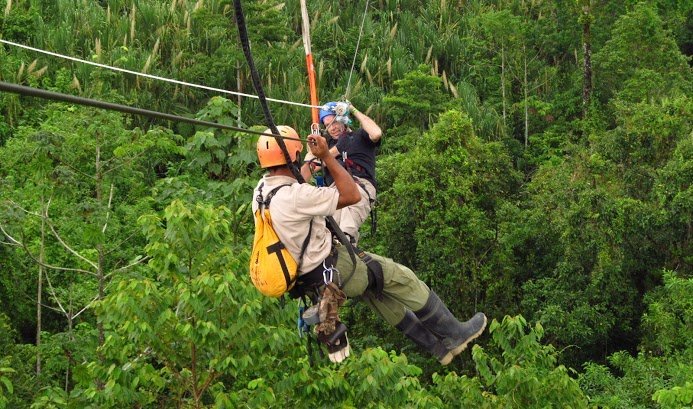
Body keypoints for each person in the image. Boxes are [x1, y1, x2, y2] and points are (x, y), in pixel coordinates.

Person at [253, 126, 487, 365]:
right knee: (399, 277)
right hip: (333, 268)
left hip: (308, 281)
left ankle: (438, 349)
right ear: (293, 156)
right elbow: (352, 195)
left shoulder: (262, 191)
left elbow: (294, 178)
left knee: (376, 292)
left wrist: (310, 163)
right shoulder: (297, 196)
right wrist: (325, 157)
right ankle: (454, 333)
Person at [301, 101, 381, 245]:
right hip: (334, 189)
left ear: (343, 119)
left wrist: (352, 109)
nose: (332, 128)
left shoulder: (360, 137)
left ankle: (346, 240)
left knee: (346, 226)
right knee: (325, 226)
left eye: (335, 122)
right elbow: (309, 169)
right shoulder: (326, 146)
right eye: (328, 126)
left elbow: (376, 133)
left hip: (359, 185)